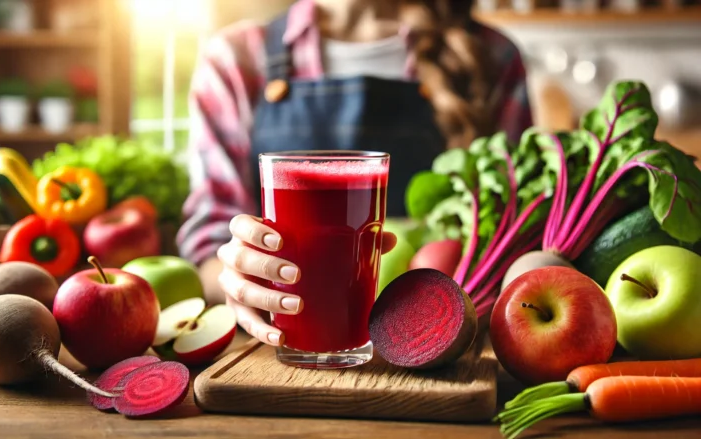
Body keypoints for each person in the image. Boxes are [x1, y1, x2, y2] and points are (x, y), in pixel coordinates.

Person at [178, 0, 533, 347]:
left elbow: (512, 223)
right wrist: (238, 280)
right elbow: (211, 236)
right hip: (287, 337)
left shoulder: (491, 57)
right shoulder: (237, 57)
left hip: (439, 339)